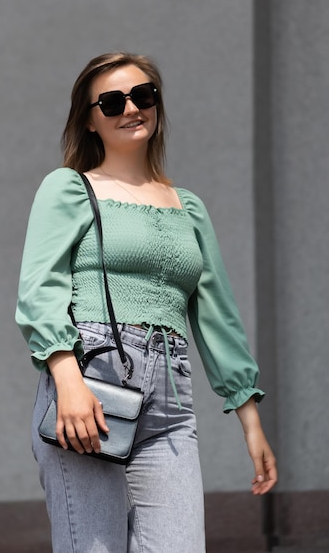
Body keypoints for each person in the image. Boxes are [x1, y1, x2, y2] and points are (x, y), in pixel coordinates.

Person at [15, 52, 277, 553]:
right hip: (90, 384)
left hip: (171, 403)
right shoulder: (70, 188)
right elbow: (40, 288)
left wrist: (250, 419)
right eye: (112, 101)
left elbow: (216, 315)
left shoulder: (189, 207)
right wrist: (67, 380)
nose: (130, 108)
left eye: (143, 95)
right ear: (90, 119)